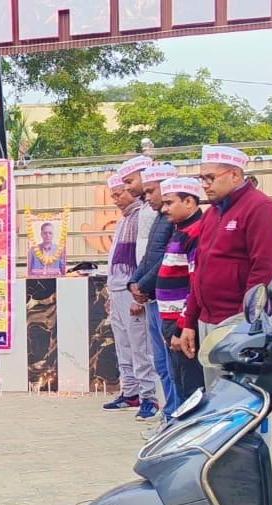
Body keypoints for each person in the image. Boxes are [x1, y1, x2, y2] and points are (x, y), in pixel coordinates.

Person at [180, 146, 272, 384]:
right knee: (215, 395)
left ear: (235, 175)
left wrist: (242, 325)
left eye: (210, 178)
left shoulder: (261, 209)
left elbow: (263, 272)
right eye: (201, 178)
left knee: (238, 395)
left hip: (235, 324)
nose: (205, 185)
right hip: (207, 321)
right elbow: (199, 270)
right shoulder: (211, 214)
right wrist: (190, 322)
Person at [101, 174, 160, 422]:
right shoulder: (123, 220)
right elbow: (114, 260)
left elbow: (142, 258)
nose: (116, 199)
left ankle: (149, 397)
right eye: (113, 195)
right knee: (123, 345)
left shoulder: (143, 217)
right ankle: (130, 392)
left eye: (120, 193)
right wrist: (110, 292)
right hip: (117, 291)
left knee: (140, 347)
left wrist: (138, 297)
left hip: (132, 292)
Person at [128, 159, 180, 421]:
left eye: (150, 191)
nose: (146, 197)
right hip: (152, 297)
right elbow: (149, 256)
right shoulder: (159, 218)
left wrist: (143, 284)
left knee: (171, 363)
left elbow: (168, 259)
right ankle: (169, 412)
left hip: (167, 299)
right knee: (160, 361)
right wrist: (133, 282)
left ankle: (175, 415)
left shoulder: (175, 221)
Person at [153, 178, 207, 407]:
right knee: (180, 382)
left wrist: (182, 326)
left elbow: (195, 284)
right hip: (171, 319)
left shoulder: (195, 233)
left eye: (169, 203)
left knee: (191, 390)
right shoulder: (181, 230)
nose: (164, 209)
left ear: (189, 202)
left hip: (182, 323)